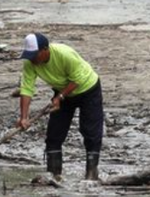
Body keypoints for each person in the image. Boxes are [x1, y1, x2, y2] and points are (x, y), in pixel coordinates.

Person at [16, 33, 105, 182]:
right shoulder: (30, 63)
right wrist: (24, 117)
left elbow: (78, 79)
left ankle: (91, 173)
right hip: (62, 91)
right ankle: (54, 174)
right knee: (54, 134)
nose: (32, 59)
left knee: (90, 132)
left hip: (87, 88)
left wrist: (60, 97)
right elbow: (27, 89)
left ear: (45, 50)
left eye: (35, 55)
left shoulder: (64, 54)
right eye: (29, 56)